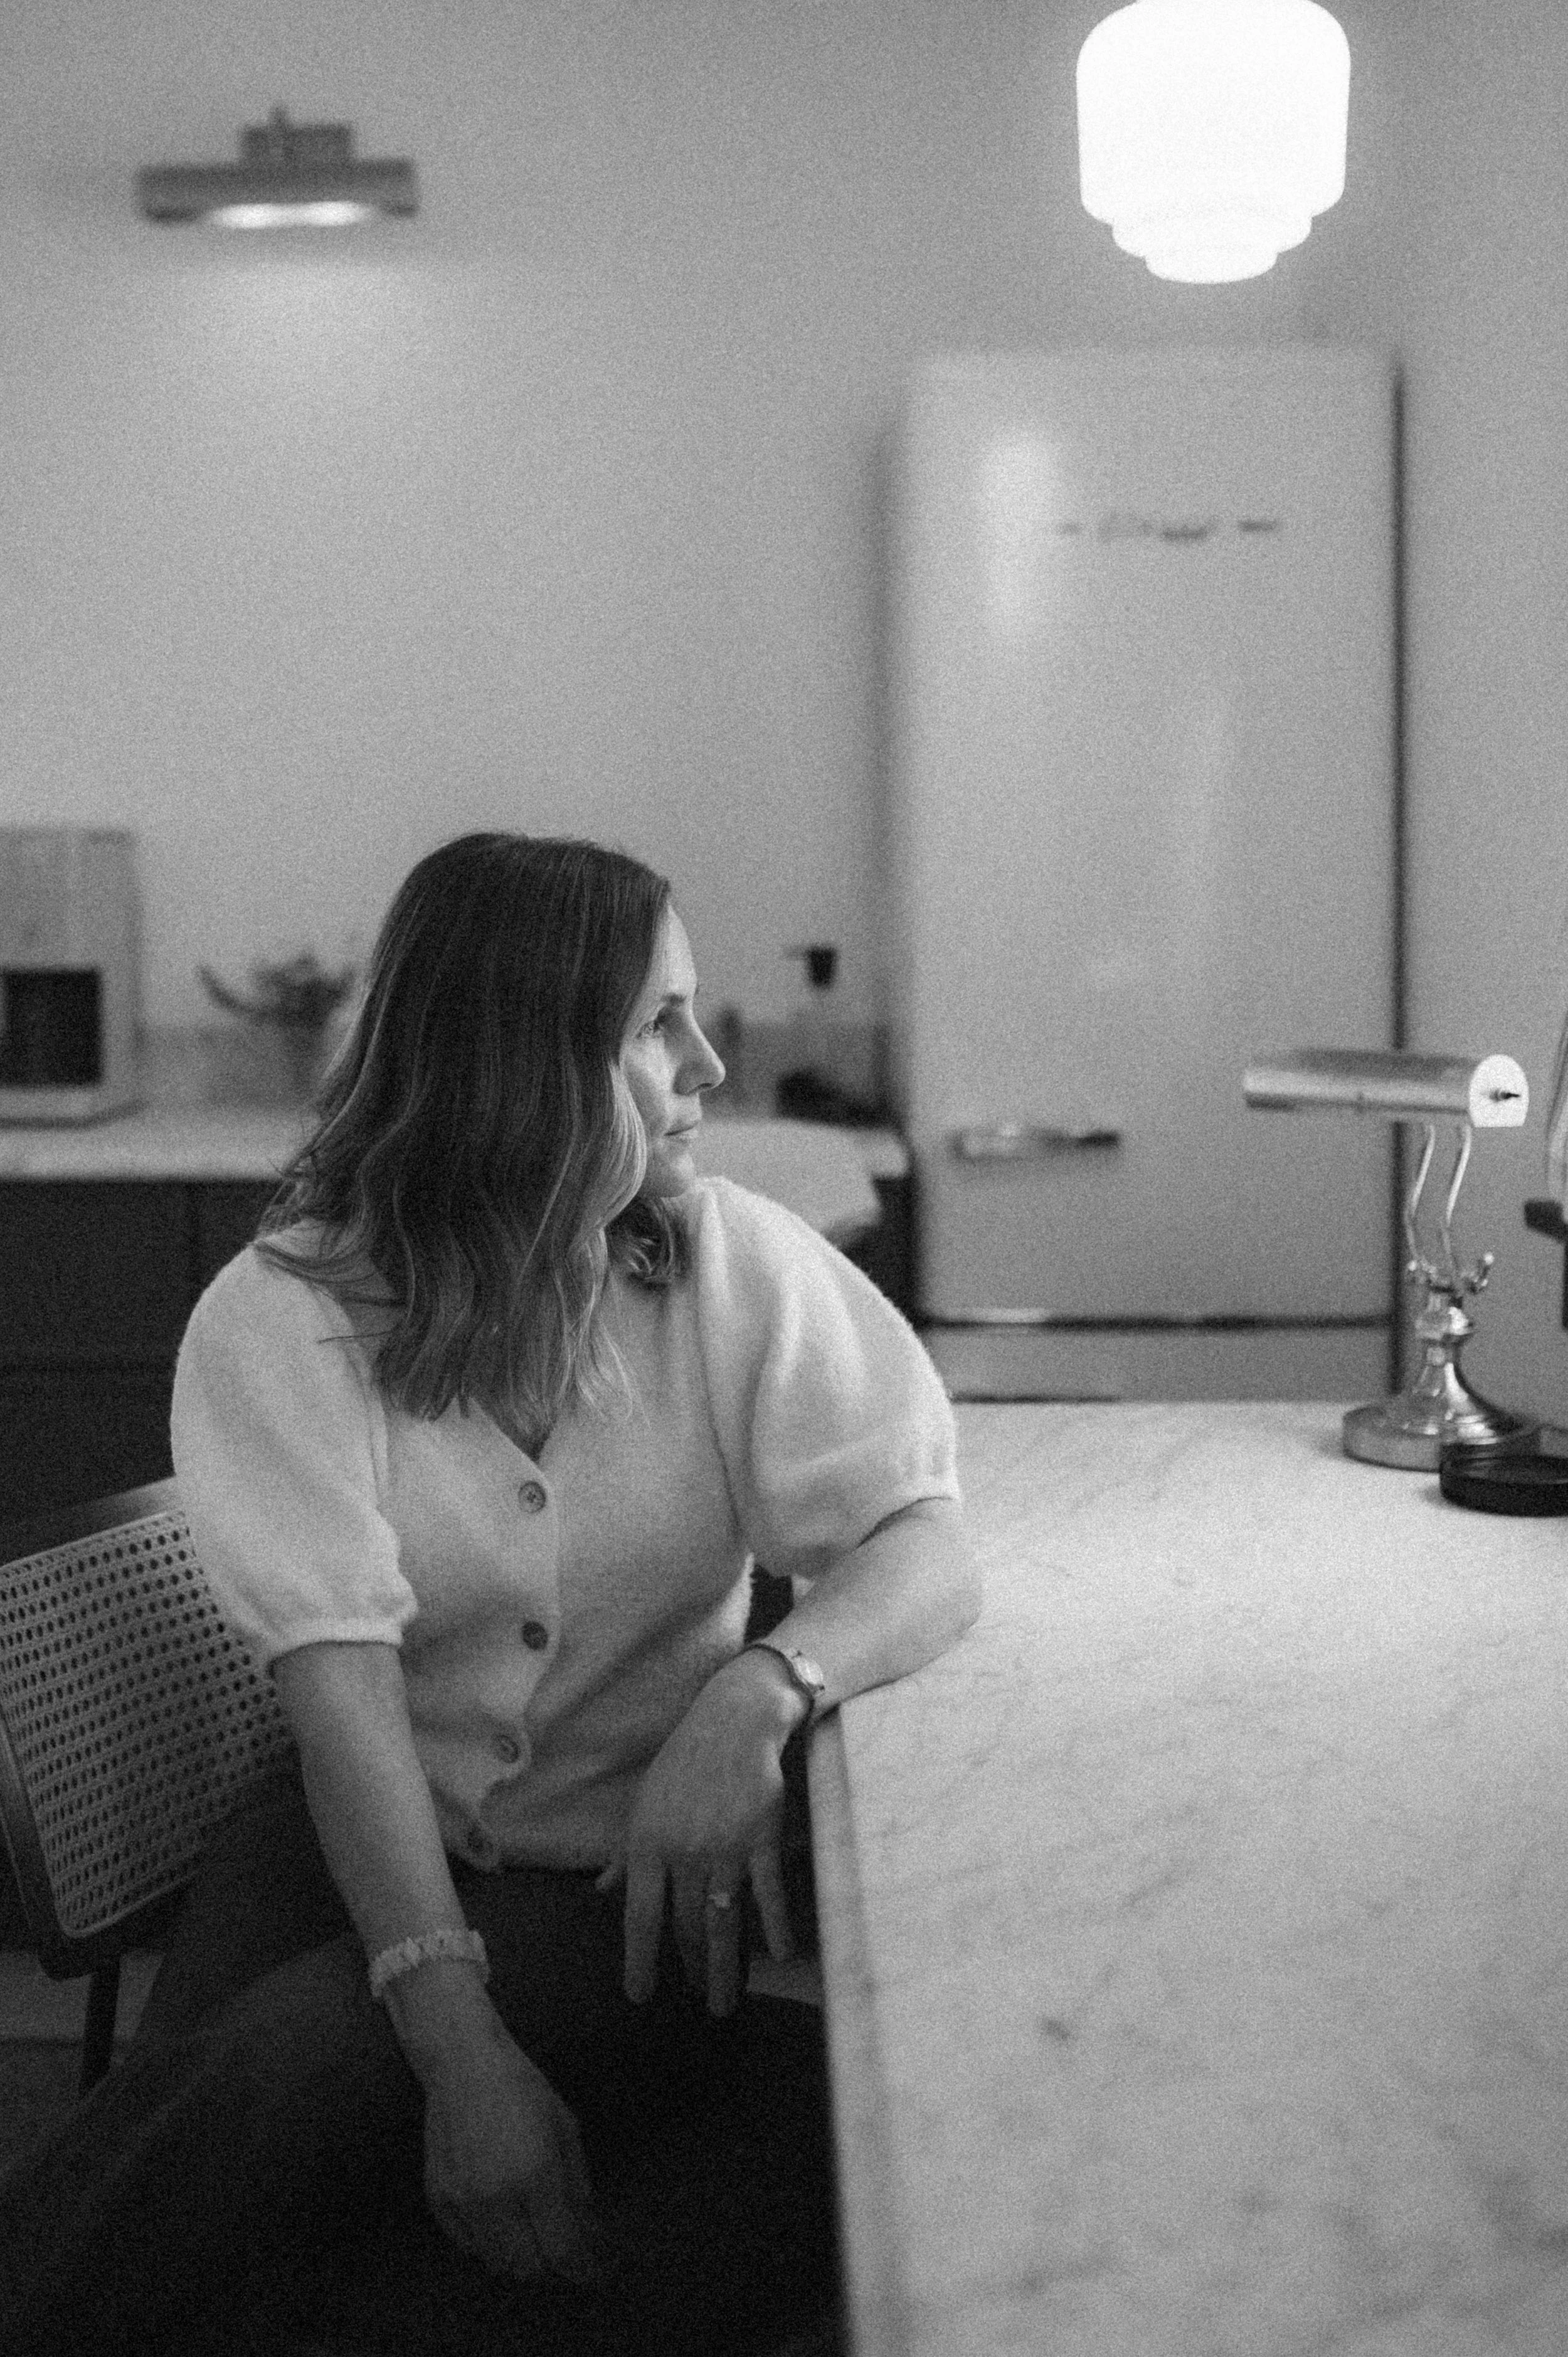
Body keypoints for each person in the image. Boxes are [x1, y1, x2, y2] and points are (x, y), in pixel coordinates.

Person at [0, 831, 978, 2357]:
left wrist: (762, 1687)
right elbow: (345, 1715)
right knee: (281, 2109)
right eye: (656, 1023)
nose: (710, 1060)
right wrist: (462, 2060)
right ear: (520, 1062)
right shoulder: (284, 1322)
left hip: (606, 1899)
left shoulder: (727, 1273)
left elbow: (923, 1541)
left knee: (301, 2121)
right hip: (344, 1860)